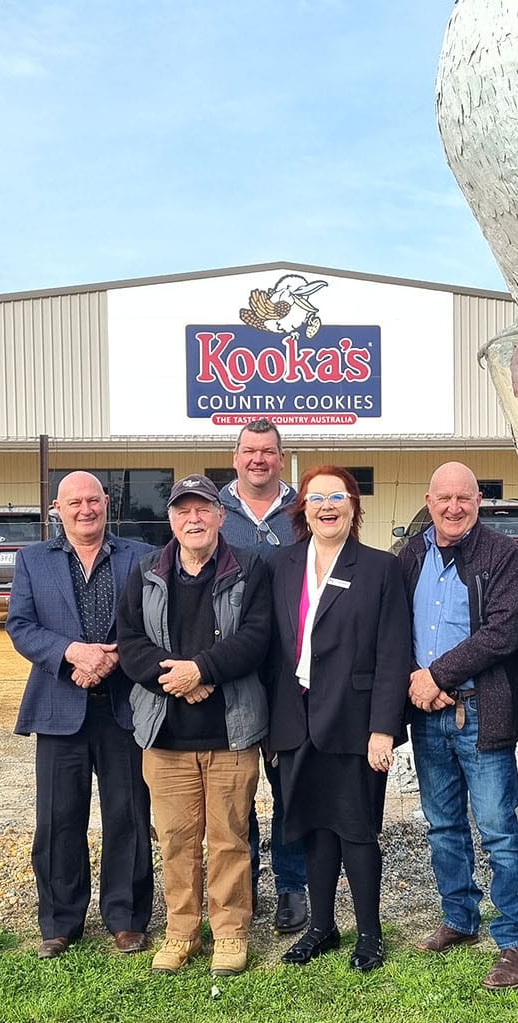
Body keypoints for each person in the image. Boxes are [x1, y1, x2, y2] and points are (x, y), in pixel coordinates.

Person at [116, 474, 270, 978]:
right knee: (177, 840)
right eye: (183, 511)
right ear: (172, 520)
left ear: (221, 515)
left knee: (230, 838)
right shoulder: (145, 572)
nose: (194, 518)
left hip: (231, 732)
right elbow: (131, 643)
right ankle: (181, 931)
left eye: (203, 509)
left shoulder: (250, 568)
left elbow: (256, 637)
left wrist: (200, 670)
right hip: (166, 736)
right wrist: (177, 681)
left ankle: (229, 933)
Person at [398, 461, 518, 991]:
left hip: (479, 710)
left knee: (499, 828)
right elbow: (396, 628)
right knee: (442, 824)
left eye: (464, 498)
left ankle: (517, 938)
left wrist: (435, 674)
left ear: (479, 501)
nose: (453, 507)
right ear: (428, 501)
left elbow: (503, 633)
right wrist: (418, 685)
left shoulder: (501, 556)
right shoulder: (410, 555)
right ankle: (459, 916)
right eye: (443, 498)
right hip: (427, 713)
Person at [268, 466, 411, 972]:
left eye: (337, 496)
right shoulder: (282, 565)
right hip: (295, 720)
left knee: (355, 830)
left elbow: (395, 652)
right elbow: (271, 649)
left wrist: (384, 727)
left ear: (353, 505)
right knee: (312, 828)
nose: (326, 506)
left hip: (354, 721)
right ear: (302, 508)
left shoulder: (378, 568)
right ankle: (321, 926)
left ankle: (369, 934)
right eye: (316, 497)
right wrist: (270, 727)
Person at [6, 471, 154, 960]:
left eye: (94, 500)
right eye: (75, 502)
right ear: (57, 508)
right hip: (58, 707)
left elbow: (150, 621)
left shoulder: (139, 555)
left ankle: (127, 918)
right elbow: (21, 626)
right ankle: (59, 921)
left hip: (122, 707)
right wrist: (72, 652)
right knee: (58, 819)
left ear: (106, 503)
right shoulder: (32, 561)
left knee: (128, 815)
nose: (86, 509)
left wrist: (109, 659)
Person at [218, 417, 308, 934]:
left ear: (280, 457)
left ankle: (291, 887)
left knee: (289, 785)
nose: (259, 459)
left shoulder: (303, 510)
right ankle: (241, 886)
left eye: (268, 451)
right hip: (230, 674)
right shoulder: (213, 511)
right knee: (234, 790)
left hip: (290, 675)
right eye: (250, 450)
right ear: (236, 457)